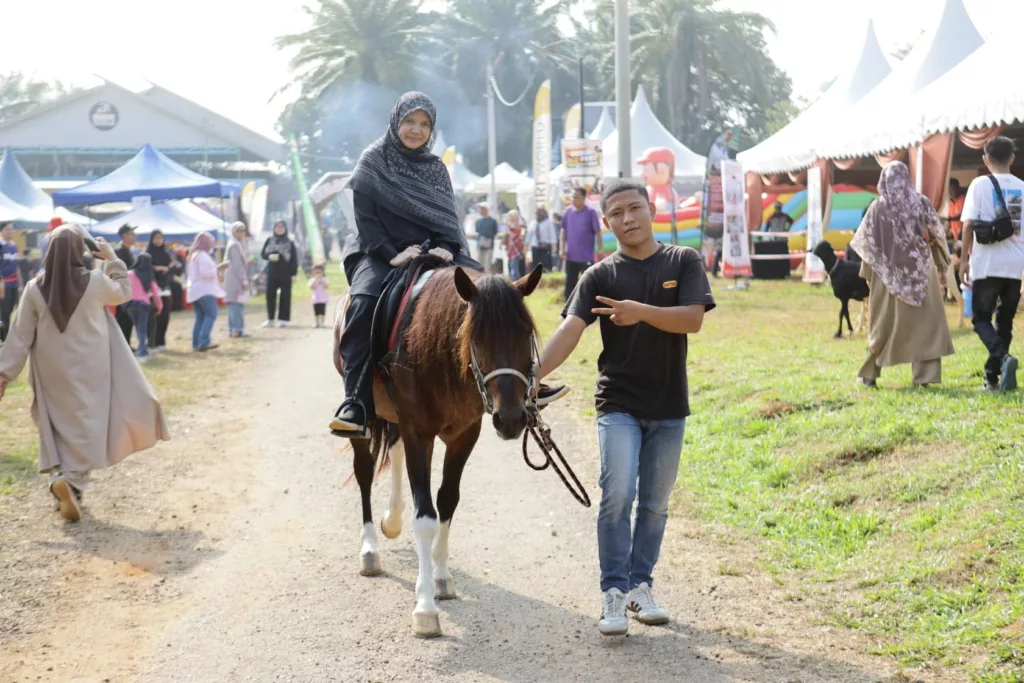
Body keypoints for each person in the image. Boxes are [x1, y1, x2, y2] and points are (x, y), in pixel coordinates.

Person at [535, 178, 714, 636]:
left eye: (634, 208)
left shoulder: (683, 261)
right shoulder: (598, 275)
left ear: (650, 208)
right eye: (616, 213)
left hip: (670, 404)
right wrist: (529, 377)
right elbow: (571, 330)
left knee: (654, 505)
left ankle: (641, 586)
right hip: (617, 402)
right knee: (618, 496)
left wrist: (640, 310)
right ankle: (613, 593)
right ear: (606, 222)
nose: (628, 219)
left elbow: (692, 319)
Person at [327, 91, 562, 437]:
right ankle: (357, 402)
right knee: (362, 304)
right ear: (396, 122)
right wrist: (392, 252)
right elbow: (365, 218)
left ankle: (526, 387)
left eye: (424, 124)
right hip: (377, 251)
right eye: (409, 121)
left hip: (433, 251)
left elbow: (447, 220)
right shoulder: (372, 160)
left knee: (497, 296)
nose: (416, 130)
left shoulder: (435, 168)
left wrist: (447, 248)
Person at [0, 225, 169, 522]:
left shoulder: (34, 288)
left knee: (60, 425)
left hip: (51, 369)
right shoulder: (94, 281)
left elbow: (19, 334)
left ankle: (68, 487)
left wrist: (4, 374)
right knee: (89, 423)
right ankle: (72, 482)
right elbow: (124, 292)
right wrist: (111, 256)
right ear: (81, 251)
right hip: (93, 366)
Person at [851, 162, 955, 388]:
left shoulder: (877, 208)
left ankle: (869, 375)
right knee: (925, 327)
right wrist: (940, 264)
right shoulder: (921, 203)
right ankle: (924, 378)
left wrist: (869, 275)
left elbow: (866, 244)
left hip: (887, 278)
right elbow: (937, 235)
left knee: (882, 327)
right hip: (921, 277)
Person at [960, 136, 1024, 392]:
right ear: (1012, 158)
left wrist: (964, 260)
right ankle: (993, 378)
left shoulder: (979, 184)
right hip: (1014, 264)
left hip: (987, 263)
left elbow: (968, 225)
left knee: (980, 318)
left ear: (985, 160)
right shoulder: (1022, 187)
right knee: (1005, 322)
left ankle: (1004, 359)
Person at [561, 187, 602, 301]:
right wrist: (562, 248)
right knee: (570, 283)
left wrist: (600, 249)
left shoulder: (590, 213)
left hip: (586, 256)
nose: (573, 200)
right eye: (572, 197)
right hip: (571, 255)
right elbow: (563, 230)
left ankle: (589, 307)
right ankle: (567, 309)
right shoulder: (568, 211)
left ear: (583, 198)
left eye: (576, 197)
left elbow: (598, 232)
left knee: (588, 283)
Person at [186, 232, 224, 352]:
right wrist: (218, 268)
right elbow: (205, 274)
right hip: (204, 290)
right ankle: (204, 341)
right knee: (211, 314)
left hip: (196, 290)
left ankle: (196, 343)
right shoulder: (202, 256)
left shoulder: (194, 255)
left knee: (200, 317)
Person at [125, 253, 163, 362]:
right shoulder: (148, 275)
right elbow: (155, 293)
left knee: (138, 327)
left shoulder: (129, 274)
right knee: (142, 328)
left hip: (129, 304)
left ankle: (142, 349)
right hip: (143, 305)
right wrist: (159, 307)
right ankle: (142, 352)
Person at [261, 220, 298, 328]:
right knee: (270, 295)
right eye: (277, 226)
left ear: (285, 228)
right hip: (272, 272)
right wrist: (269, 256)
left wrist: (294, 274)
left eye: (282, 226)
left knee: (285, 296)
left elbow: (294, 259)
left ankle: (284, 319)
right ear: (274, 228)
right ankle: (270, 319)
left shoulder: (289, 242)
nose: (279, 228)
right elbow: (263, 254)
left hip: (285, 273)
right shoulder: (269, 240)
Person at [145, 230, 175, 351]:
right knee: (154, 316)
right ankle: (152, 342)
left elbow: (172, 267)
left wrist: (170, 267)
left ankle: (161, 341)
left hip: (165, 288)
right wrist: (157, 268)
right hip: (153, 289)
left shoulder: (166, 253)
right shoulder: (148, 254)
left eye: (160, 238)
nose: (159, 240)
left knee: (165, 316)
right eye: (156, 238)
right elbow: (144, 268)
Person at [223, 221, 251, 338]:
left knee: (233, 304)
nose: (241, 233)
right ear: (234, 232)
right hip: (234, 277)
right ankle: (237, 329)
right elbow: (237, 265)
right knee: (236, 304)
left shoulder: (236, 243)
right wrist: (244, 280)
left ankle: (233, 328)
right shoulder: (234, 245)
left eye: (243, 230)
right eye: (239, 231)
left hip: (233, 277)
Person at [114, 225, 137, 345]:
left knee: (129, 320)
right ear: (124, 236)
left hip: (131, 290)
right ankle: (122, 345)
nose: (134, 236)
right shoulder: (119, 251)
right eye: (132, 234)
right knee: (123, 319)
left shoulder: (130, 250)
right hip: (122, 289)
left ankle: (127, 344)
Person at [0, 222, 21, 343]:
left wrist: (20, 283)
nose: (10, 232)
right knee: (4, 311)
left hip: (14, 284)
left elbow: (16, 266)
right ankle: (4, 338)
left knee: (13, 310)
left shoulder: (13, 246)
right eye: (7, 230)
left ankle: (7, 336)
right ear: (1, 231)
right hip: (4, 284)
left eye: (12, 230)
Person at [527, 207, 558, 272]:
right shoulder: (533, 223)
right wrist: (525, 246)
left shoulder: (549, 222)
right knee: (536, 266)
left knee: (546, 266)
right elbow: (529, 235)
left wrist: (554, 246)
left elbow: (552, 235)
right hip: (535, 247)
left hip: (545, 247)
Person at [475, 204, 499, 272]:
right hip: (480, 246)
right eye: (480, 209)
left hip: (489, 246)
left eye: (482, 208)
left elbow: (495, 232)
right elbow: (477, 231)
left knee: (488, 265)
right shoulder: (478, 221)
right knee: (479, 264)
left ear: (486, 209)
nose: (481, 210)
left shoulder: (493, 221)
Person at [504, 209, 527, 280]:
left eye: (510, 216)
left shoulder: (522, 228)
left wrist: (524, 249)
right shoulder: (507, 227)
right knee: (512, 266)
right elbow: (505, 238)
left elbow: (523, 238)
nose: (509, 217)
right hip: (510, 249)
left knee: (515, 267)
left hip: (518, 249)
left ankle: (515, 282)